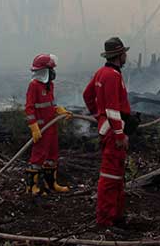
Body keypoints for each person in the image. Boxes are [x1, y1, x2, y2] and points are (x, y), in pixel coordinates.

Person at [83, 37, 133, 228]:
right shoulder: (112, 75)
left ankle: (116, 215)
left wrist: (98, 115)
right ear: (119, 55)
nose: (126, 56)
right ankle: (105, 220)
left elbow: (87, 95)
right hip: (113, 133)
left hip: (109, 128)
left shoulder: (101, 72)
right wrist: (120, 135)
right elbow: (113, 109)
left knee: (117, 175)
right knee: (111, 176)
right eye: (124, 53)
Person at [24, 53, 72, 195]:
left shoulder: (49, 85)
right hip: (41, 129)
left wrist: (59, 110)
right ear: (44, 71)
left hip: (51, 126)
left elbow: (49, 104)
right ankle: (31, 188)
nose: (53, 73)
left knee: (52, 156)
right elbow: (29, 108)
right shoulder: (34, 86)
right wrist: (34, 127)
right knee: (38, 157)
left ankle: (51, 184)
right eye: (51, 70)